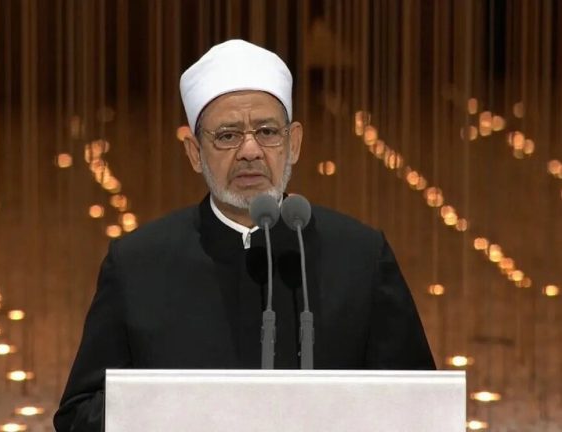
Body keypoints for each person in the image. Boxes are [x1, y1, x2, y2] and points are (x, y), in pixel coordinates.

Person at [54, 39, 435, 431]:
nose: (250, 151)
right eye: (227, 135)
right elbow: (79, 415)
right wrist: (182, 407)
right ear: (194, 152)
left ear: (294, 143)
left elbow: (420, 407)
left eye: (267, 131)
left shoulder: (360, 256)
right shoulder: (138, 264)